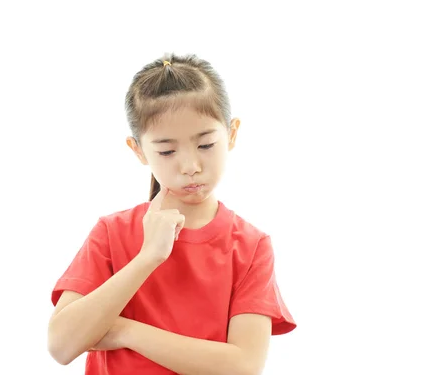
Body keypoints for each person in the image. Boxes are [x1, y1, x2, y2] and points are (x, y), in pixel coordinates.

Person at [47, 53, 296, 374]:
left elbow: (243, 367)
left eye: (205, 144)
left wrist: (126, 331)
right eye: (166, 151)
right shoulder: (112, 233)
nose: (190, 166)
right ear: (138, 150)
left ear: (231, 133)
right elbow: (61, 345)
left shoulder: (250, 245)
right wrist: (148, 257)